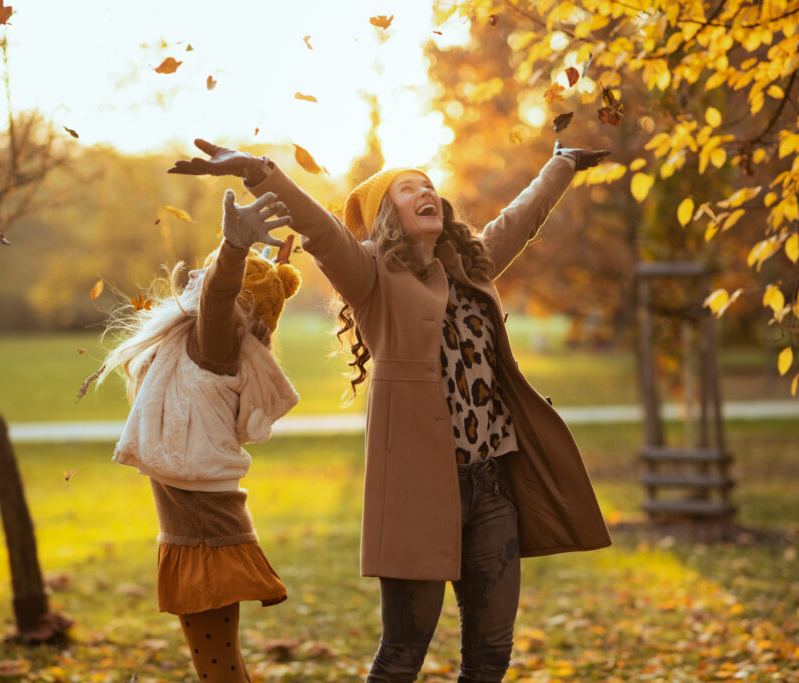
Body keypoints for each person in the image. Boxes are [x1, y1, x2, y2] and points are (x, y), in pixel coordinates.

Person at [169, 139, 613, 682]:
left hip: (493, 488)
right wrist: (263, 172)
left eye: (429, 184)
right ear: (388, 215)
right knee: (403, 652)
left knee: (491, 654)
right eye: (409, 188)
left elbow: (522, 217)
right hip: (420, 493)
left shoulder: (471, 266)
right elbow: (323, 230)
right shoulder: (372, 278)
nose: (427, 190)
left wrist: (561, 161)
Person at [100, 190, 302, 682]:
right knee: (218, 668)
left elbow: (217, 293)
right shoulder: (198, 345)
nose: (195, 274)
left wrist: (233, 248)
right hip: (198, 527)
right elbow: (214, 290)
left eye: (208, 269)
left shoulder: (213, 342)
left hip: (205, 533)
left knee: (218, 671)